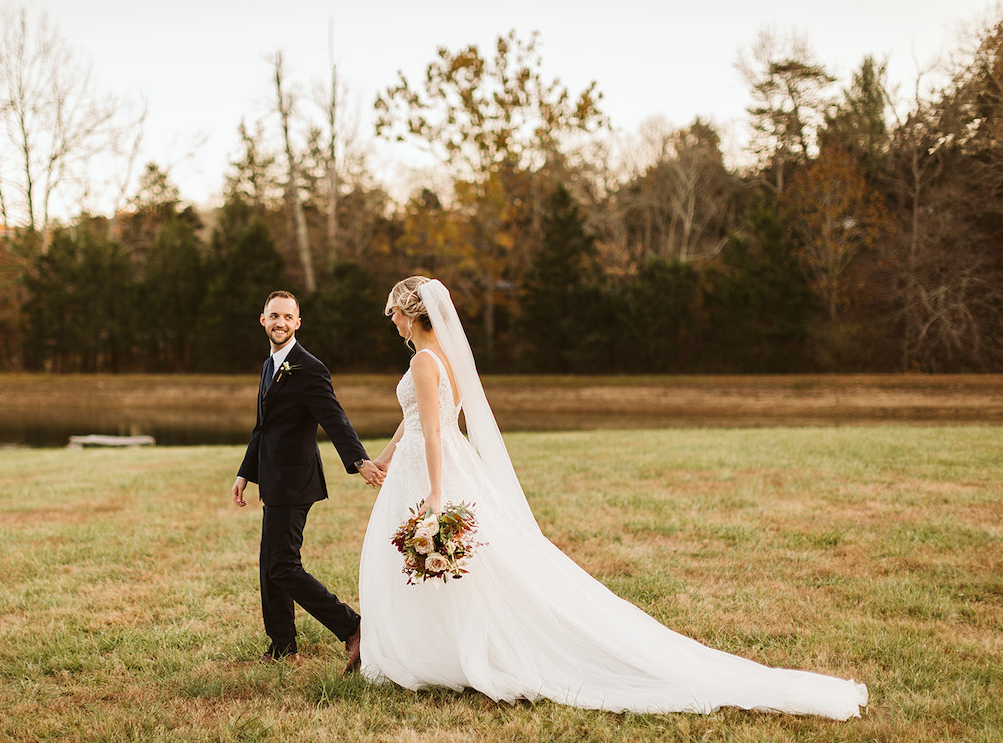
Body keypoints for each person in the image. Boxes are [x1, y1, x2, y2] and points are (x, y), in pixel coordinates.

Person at [356, 276, 868, 718]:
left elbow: (434, 432)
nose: (392, 322)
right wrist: (383, 457)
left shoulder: (425, 361)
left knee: (457, 562)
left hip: (435, 470)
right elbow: (420, 422)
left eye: (394, 314)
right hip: (431, 460)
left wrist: (437, 494)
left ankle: (447, 652)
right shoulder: (446, 357)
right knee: (468, 566)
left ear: (410, 312)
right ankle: (443, 646)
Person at [233, 290, 384, 670]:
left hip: (295, 479)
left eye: (288, 316)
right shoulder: (270, 365)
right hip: (272, 478)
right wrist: (244, 473)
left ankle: (353, 628)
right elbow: (262, 428)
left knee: (282, 565)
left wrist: (359, 460)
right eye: (274, 315)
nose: (280, 322)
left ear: (298, 322)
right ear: (263, 320)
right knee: (270, 564)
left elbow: (335, 418)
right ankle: (283, 646)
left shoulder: (309, 367)